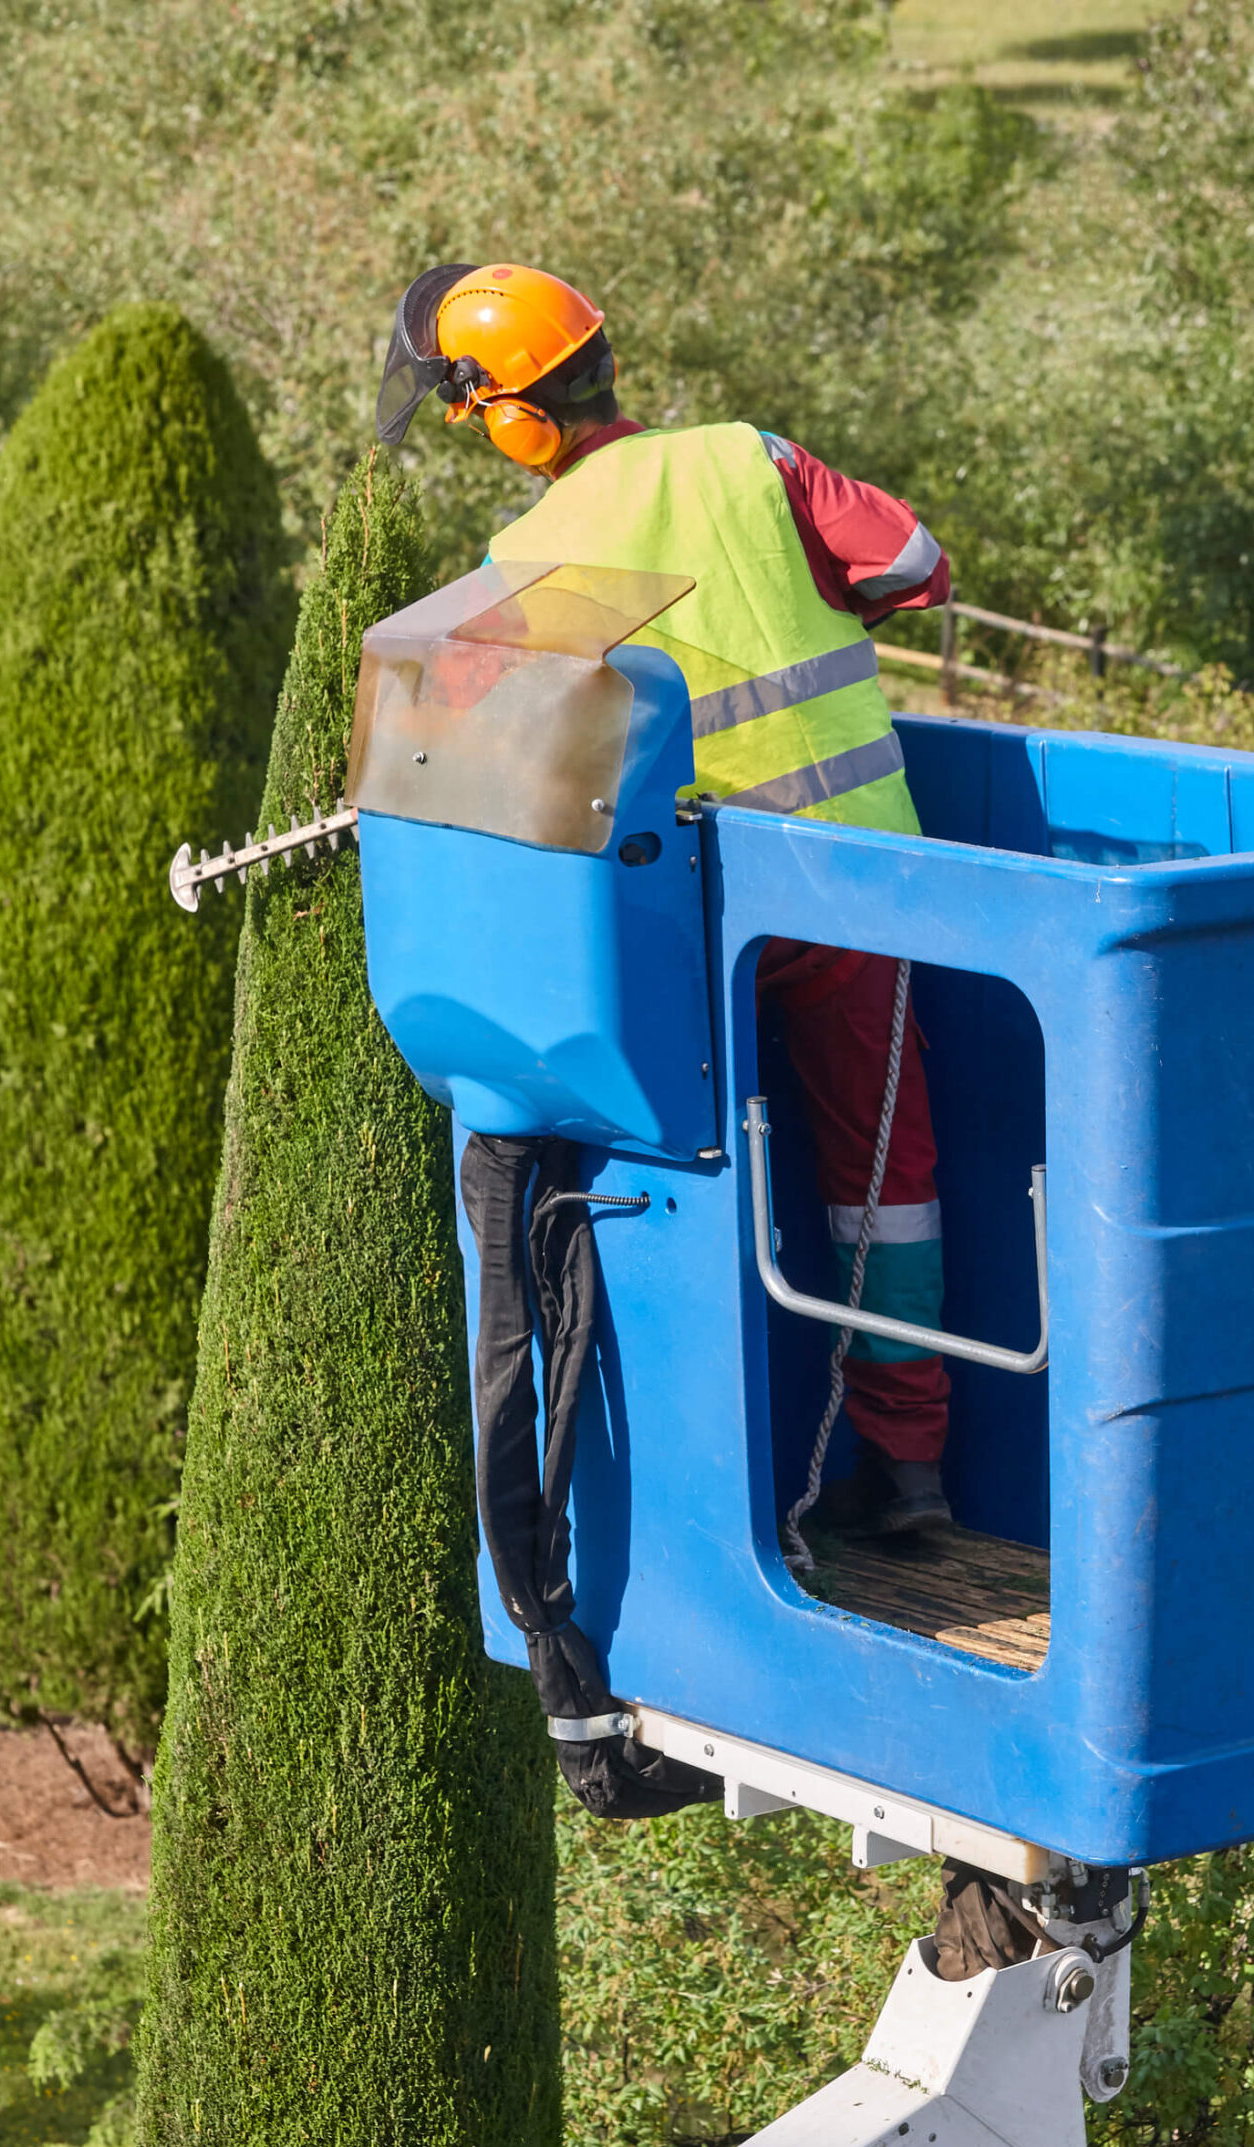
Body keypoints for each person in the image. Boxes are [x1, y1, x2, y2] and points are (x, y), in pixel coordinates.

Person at [376, 262, 955, 1535]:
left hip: (702, 912)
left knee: (675, 1160)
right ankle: (910, 1475)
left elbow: (473, 743)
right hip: (870, 886)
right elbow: (917, 564)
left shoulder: (527, 554)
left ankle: (712, 1501)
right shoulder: (752, 460)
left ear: (515, 417)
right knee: (885, 1178)